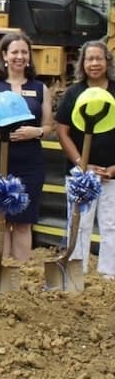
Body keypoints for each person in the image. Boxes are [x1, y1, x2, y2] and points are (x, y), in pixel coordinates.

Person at [0, 33, 52, 261]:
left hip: (30, 163)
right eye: (14, 52)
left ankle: (20, 275)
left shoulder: (40, 88)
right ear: (4, 55)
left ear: (29, 57)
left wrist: (36, 132)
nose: (19, 57)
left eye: (24, 52)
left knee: (23, 222)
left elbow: (48, 126)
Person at [55, 40, 115, 278]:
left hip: (111, 174)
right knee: (79, 225)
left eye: (99, 58)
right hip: (82, 174)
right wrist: (81, 163)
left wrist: (112, 169)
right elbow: (62, 130)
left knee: (111, 225)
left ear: (107, 61)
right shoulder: (74, 92)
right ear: (82, 63)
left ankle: (110, 276)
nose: (94, 63)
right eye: (89, 59)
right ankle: (76, 274)